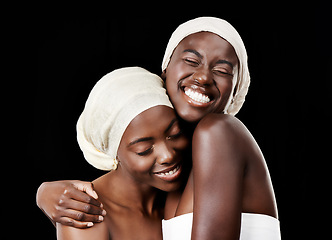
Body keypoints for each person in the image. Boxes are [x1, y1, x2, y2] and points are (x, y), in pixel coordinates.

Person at [37, 17, 281, 239]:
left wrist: (43, 193)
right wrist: (43, 193)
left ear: (236, 87)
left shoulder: (217, 133)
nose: (204, 77)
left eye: (222, 70)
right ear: (165, 70)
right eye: (143, 148)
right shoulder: (170, 185)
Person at [54, 67, 189, 239]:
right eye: (144, 150)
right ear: (113, 152)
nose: (167, 155)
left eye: (175, 134)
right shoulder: (85, 213)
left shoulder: (188, 187)